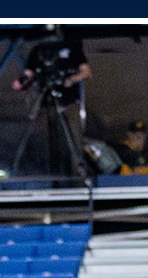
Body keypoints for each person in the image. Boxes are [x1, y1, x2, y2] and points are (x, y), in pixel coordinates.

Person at [11, 28, 93, 183]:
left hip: (68, 102)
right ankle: (46, 178)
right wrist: (21, 82)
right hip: (46, 103)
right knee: (45, 140)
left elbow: (86, 71)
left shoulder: (71, 46)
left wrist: (70, 80)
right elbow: (29, 73)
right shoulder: (38, 50)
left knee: (74, 140)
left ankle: (78, 178)